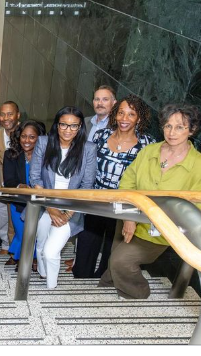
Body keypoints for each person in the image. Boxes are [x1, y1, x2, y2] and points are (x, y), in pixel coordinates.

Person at [98, 104, 201, 299]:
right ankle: (104, 292)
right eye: (167, 126)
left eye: (180, 127)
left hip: (161, 230)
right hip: (128, 216)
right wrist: (128, 218)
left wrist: (169, 225)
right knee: (115, 259)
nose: (172, 132)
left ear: (192, 130)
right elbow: (127, 182)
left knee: (120, 261)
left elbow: (200, 206)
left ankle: (137, 294)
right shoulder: (149, 151)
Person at [73, 95, 156, 278]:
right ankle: (81, 280)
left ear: (139, 118)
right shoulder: (101, 135)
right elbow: (87, 167)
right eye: (121, 113)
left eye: (131, 114)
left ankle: (103, 285)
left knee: (112, 251)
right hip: (96, 201)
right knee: (86, 245)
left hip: (123, 206)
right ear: (115, 114)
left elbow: (145, 178)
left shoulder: (146, 144)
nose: (124, 119)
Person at [30, 106, 96, 289]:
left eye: (74, 126)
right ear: (57, 125)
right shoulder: (44, 143)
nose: (68, 130)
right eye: (64, 125)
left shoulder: (88, 149)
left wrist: (66, 215)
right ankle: (43, 274)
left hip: (71, 208)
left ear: (80, 127)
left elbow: (86, 186)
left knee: (51, 252)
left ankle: (52, 287)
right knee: (41, 244)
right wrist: (51, 208)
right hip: (45, 204)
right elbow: (35, 177)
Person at [3, 120, 46, 269]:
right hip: (19, 202)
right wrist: (20, 186)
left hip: (40, 202)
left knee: (35, 231)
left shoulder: (45, 156)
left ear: (39, 138)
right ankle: (26, 260)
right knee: (23, 232)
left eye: (32, 137)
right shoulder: (10, 154)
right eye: (23, 136)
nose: (26, 141)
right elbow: (8, 179)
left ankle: (19, 254)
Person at [0, 101, 21, 255]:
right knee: (2, 215)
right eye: (2, 114)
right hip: (2, 185)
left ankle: (19, 246)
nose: (6, 118)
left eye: (10, 114)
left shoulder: (27, 134)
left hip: (23, 184)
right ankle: (6, 245)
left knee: (20, 218)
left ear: (17, 115)